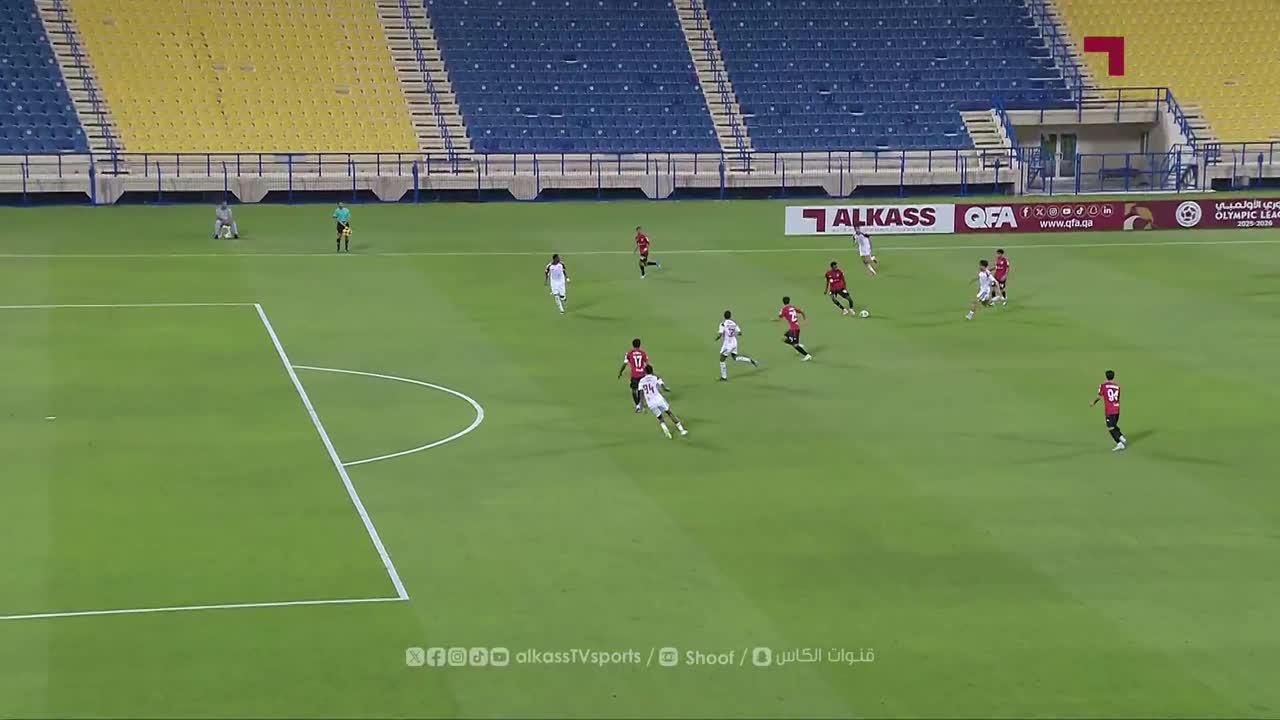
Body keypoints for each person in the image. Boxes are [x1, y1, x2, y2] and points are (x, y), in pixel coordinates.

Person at [637, 365, 688, 438]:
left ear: (645, 372)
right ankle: (682, 430)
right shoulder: (656, 377)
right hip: (659, 399)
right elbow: (663, 388)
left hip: (650, 402)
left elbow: (641, 395)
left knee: (660, 417)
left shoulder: (641, 381)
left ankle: (665, 430)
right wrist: (667, 389)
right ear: (652, 371)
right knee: (669, 413)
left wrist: (642, 406)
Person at [1091, 370, 1127, 451]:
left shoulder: (1103, 386)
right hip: (1117, 409)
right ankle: (1121, 436)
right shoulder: (1117, 386)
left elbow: (1099, 396)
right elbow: (1117, 398)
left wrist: (1093, 402)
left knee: (1110, 427)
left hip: (1110, 410)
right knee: (1113, 425)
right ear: (1113, 376)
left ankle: (1119, 443)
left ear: (1106, 376)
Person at [716, 310, 757, 381]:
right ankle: (749, 360)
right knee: (735, 357)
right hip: (734, 342)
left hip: (728, 344)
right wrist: (732, 333)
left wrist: (717, 337)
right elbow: (740, 333)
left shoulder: (722, 324)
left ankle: (724, 377)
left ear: (724, 316)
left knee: (722, 360)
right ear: (730, 316)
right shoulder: (734, 323)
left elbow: (720, 334)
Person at [617, 338, 649, 413]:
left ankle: (637, 405)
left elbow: (625, 364)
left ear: (633, 345)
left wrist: (620, 372)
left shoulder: (629, 354)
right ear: (639, 345)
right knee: (641, 389)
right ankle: (641, 404)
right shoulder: (643, 353)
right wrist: (649, 373)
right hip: (642, 374)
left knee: (634, 390)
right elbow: (647, 364)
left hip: (634, 374)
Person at [777, 296, 812, 361]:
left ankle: (807, 355)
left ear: (783, 302)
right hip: (793, 329)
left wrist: (773, 319)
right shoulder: (792, 307)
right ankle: (798, 345)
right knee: (784, 338)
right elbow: (802, 311)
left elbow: (779, 317)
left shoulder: (784, 309)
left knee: (794, 345)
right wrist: (805, 319)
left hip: (794, 330)